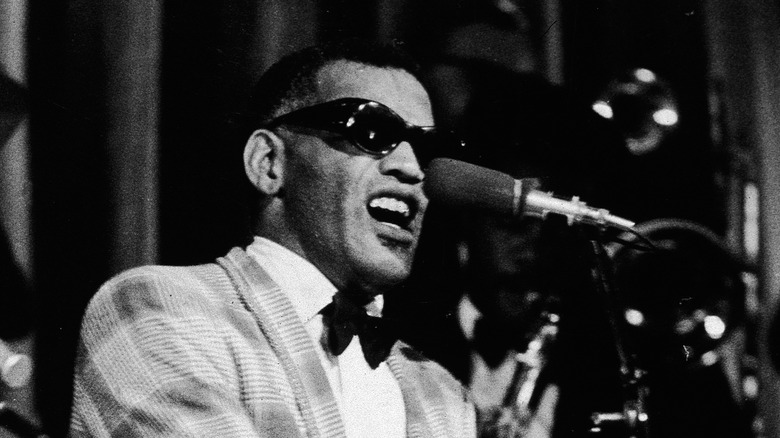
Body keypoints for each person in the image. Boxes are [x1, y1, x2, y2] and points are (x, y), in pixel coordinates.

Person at [68, 40, 476, 437]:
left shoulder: (442, 394)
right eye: (370, 130)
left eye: (426, 148)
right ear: (268, 163)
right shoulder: (158, 309)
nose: (412, 168)